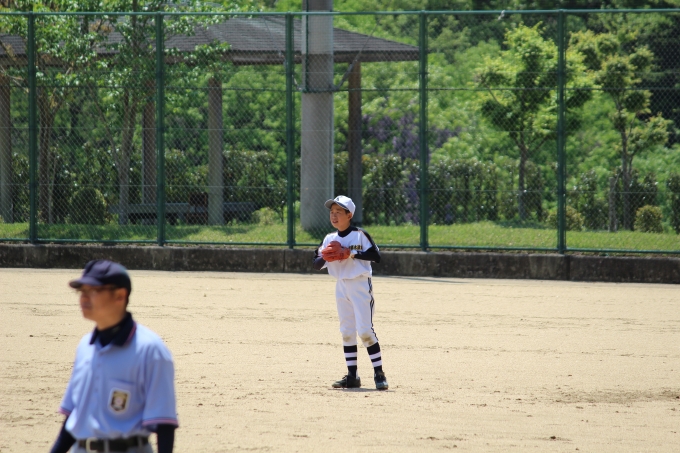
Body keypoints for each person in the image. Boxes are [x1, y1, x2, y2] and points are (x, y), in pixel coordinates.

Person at [49, 260, 178, 453]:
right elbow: (74, 416)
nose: (83, 298)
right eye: (81, 291)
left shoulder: (150, 350)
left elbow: (164, 425)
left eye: (93, 290)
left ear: (120, 296)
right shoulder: (85, 346)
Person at [313, 195, 388, 390]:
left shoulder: (360, 235)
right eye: (332, 212)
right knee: (347, 331)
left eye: (339, 212)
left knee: (365, 330)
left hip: (360, 285)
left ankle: (379, 373)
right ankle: (352, 376)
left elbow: (376, 256)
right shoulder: (329, 239)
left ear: (349, 215)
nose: (334, 215)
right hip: (341, 286)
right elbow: (316, 263)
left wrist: (350, 253)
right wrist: (327, 256)